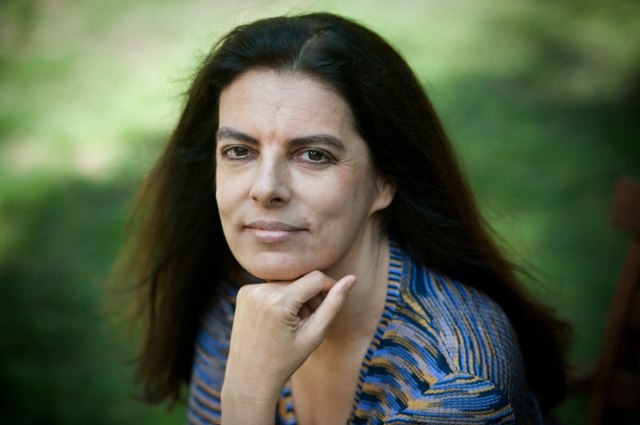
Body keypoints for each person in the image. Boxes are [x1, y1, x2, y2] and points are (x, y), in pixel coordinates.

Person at [118, 12, 570, 424]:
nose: (265, 188)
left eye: (314, 154)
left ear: (385, 180)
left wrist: (247, 396)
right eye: (239, 151)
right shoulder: (242, 303)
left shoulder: (455, 385)